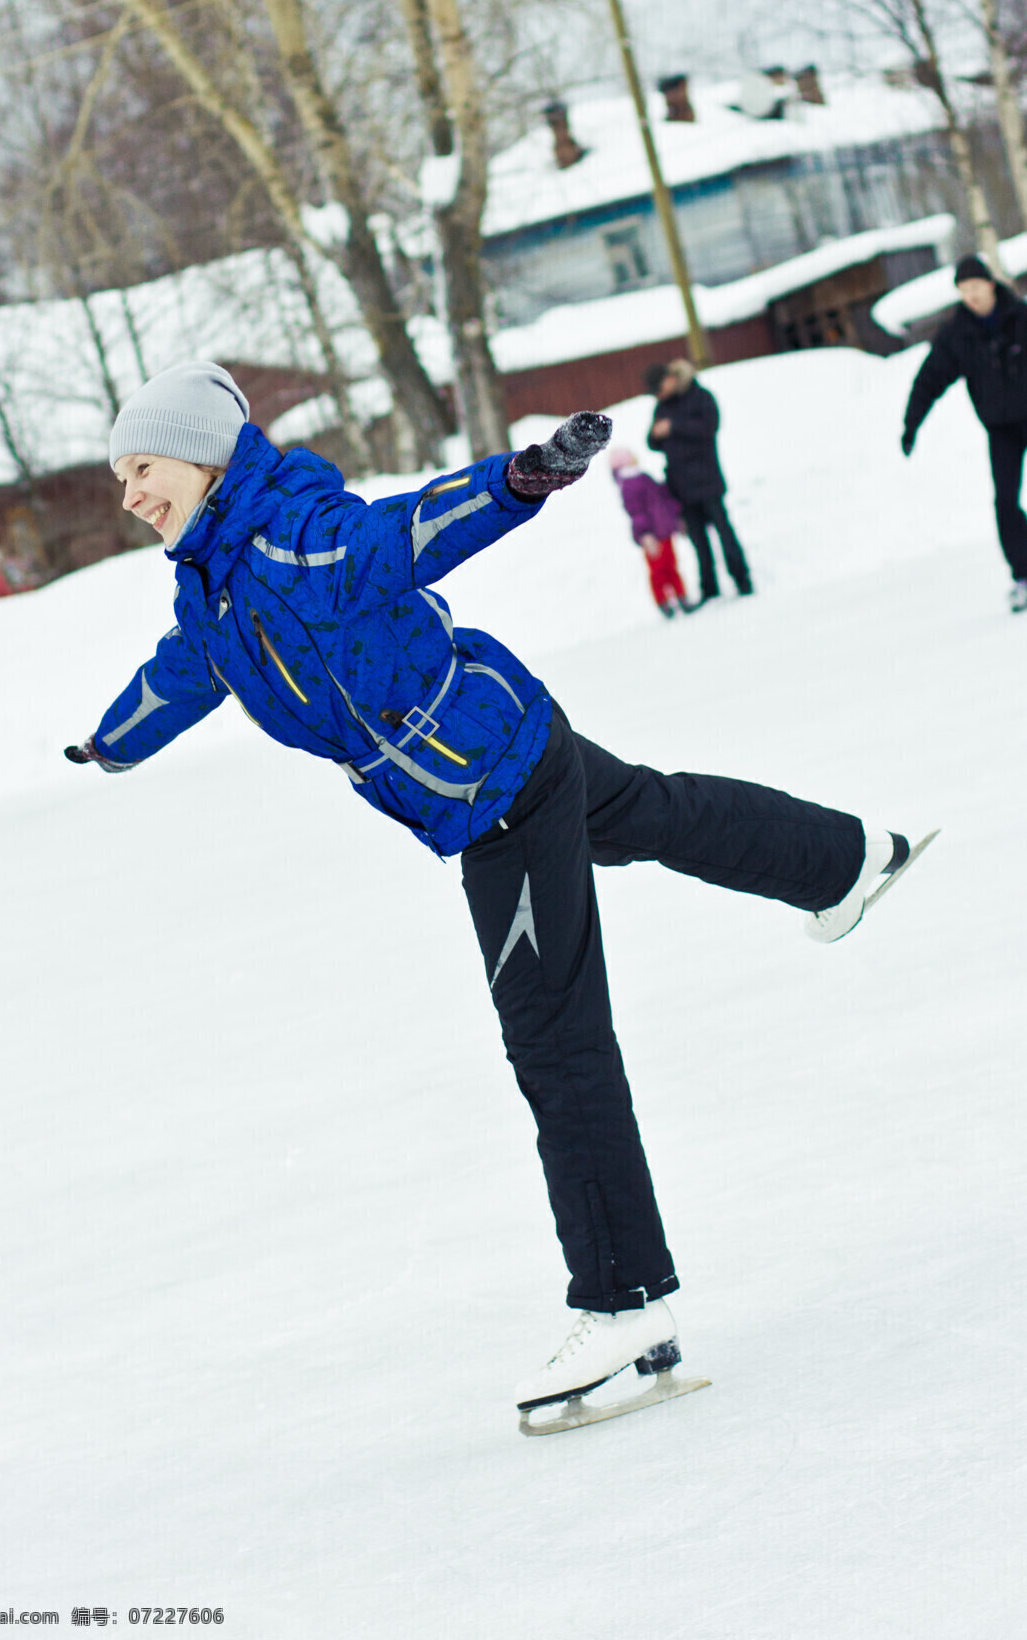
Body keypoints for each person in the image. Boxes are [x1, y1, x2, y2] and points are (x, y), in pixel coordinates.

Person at [65, 361, 915, 1424]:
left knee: (555, 1042)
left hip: (494, 789)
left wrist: (517, 479)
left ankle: (626, 1300)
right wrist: (112, 740)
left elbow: (408, 533)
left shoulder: (295, 540)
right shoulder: (214, 582)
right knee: (653, 813)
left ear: (202, 455)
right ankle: (846, 860)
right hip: (506, 750)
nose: (131, 494)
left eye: (143, 468)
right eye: (122, 477)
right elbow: (187, 668)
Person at [901, 254, 1027, 614]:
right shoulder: (958, 335)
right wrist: (911, 424)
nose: (970, 297)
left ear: (989, 284)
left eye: (974, 288)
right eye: (963, 291)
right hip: (1001, 427)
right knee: (1005, 501)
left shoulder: (1021, 316)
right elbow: (929, 380)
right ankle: (1024, 574)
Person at [644, 359, 752, 604]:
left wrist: (674, 427)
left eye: (659, 389)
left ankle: (742, 580)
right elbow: (652, 443)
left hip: (707, 480)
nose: (658, 396)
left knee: (724, 533)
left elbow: (709, 427)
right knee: (699, 542)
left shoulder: (700, 396)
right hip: (681, 486)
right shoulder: (662, 407)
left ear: (670, 379)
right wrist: (656, 433)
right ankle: (709, 589)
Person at [608, 444, 695, 618]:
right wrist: (645, 534)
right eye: (630, 456)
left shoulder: (643, 477)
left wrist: (676, 517)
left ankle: (681, 597)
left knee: (671, 565)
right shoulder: (629, 485)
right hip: (652, 537)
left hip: (665, 531)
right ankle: (663, 602)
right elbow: (636, 513)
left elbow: (663, 498)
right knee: (658, 570)